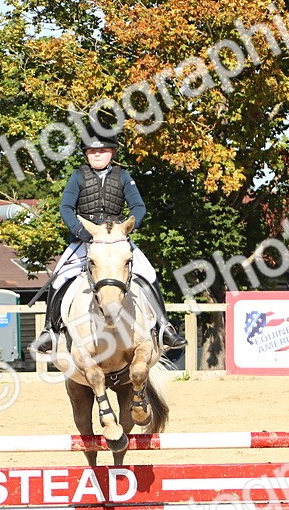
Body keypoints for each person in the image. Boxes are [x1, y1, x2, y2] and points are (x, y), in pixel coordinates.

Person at [33, 131, 187, 354]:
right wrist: (79, 230)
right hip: (84, 238)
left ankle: (164, 327)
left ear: (112, 152)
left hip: (115, 239)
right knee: (59, 277)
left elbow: (138, 207)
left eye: (102, 150)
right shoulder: (77, 176)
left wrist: (125, 228)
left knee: (148, 273)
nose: (97, 154)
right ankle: (49, 331)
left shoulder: (123, 176)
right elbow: (66, 207)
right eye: (92, 151)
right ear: (86, 154)